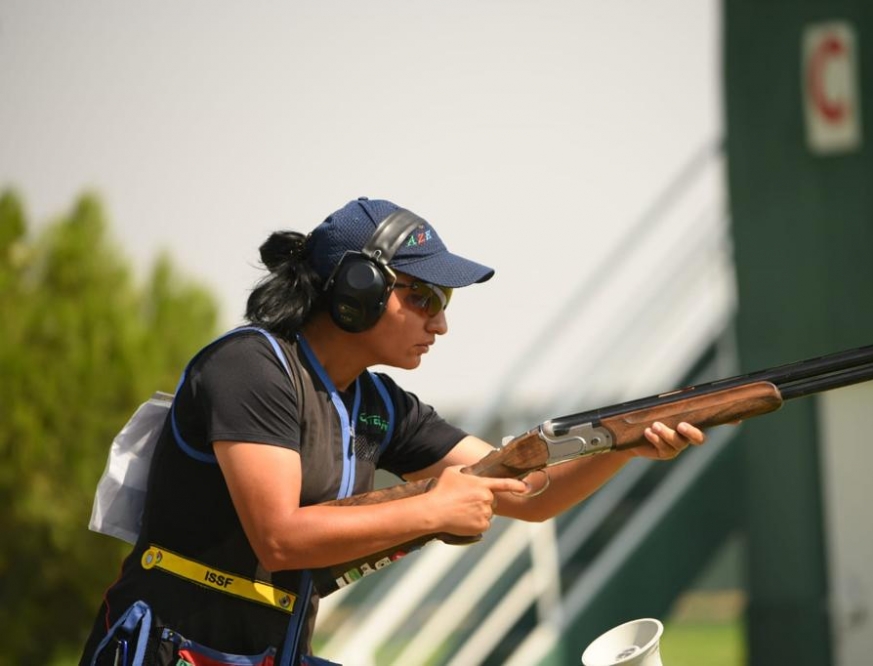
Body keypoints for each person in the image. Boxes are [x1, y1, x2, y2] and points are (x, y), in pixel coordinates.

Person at [80, 197, 705, 665]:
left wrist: (629, 440)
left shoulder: (378, 403)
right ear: (359, 289)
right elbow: (279, 538)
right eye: (426, 297)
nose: (440, 324)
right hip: (167, 652)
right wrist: (433, 509)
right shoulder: (252, 368)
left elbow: (532, 491)